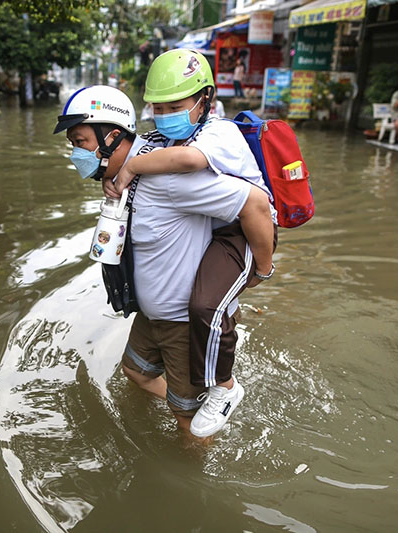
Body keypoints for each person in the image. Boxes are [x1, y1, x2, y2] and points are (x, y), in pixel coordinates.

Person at [54, 82, 275, 438]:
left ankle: (197, 447)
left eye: (80, 143)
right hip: (151, 315)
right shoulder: (131, 171)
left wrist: (262, 270)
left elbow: (255, 204)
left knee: (189, 425)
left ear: (111, 137)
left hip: (183, 326)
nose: (75, 155)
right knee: (137, 373)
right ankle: (188, 405)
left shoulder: (167, 180)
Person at [112, 49, 276, 438]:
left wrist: (264, 268)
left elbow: (187, 161)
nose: (164, 112)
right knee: (145, 364)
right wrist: (116, 175)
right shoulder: (167, 138)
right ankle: (194, 398)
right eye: (157, 105)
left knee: (204, 304)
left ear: (206, 99)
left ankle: (224, 388)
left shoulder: (218, 132)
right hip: (218, 226)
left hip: (246, 228)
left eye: (176, 104)